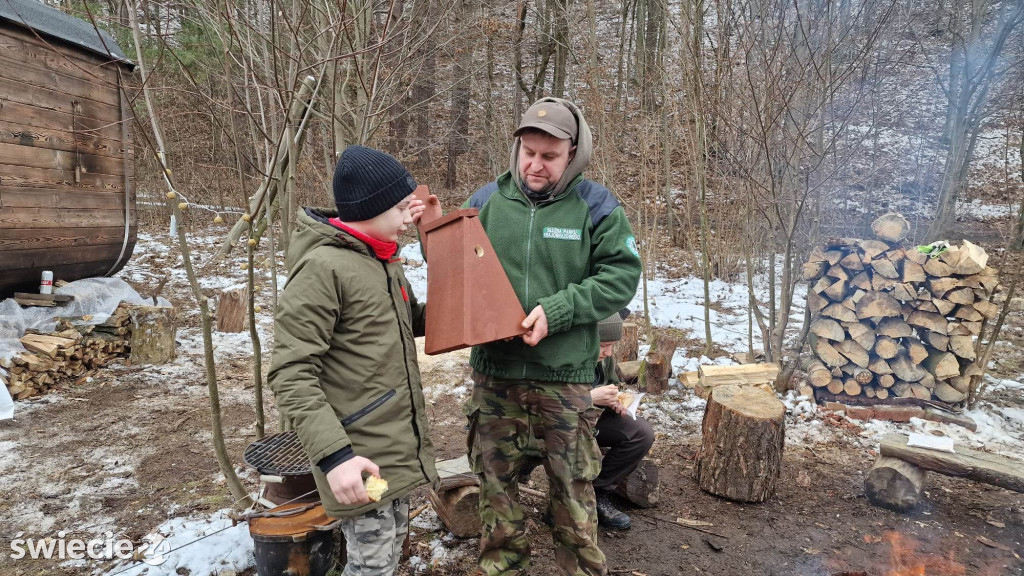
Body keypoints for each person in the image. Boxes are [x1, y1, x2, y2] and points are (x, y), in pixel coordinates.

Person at [463, 98, 642, 576]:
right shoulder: (484, 202)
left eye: (549, 156)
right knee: (496, 492)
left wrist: (558, 310)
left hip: (563, 382)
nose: (535, 165)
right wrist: (427, 227)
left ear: (573, 154)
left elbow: (621, 278)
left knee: (573, 495)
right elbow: (456, 269)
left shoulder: (597, 205)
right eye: (528, 152)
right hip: (495, 378)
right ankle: (502, 567)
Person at [268, 145, 437, 576]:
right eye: (401, 208)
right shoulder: (323, 269)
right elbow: (291, 373)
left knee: (389, 550)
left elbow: (412, 321)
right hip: (357, 458)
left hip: (394, 455)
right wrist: (334, 458)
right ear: (371, 207)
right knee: (371, 566)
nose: (407, 218)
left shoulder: (382, 259)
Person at [589, 311, 655, 531]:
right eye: (603, 345)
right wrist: (589, 397)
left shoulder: (604, 359)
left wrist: (614, 401)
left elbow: (608, 384)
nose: (608, 353)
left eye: (612, 346)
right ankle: (566, 504)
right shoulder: (562, 356)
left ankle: (600, 492)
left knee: (641, 433)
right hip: (560, 423)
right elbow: (550, 401)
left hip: (593, 417)